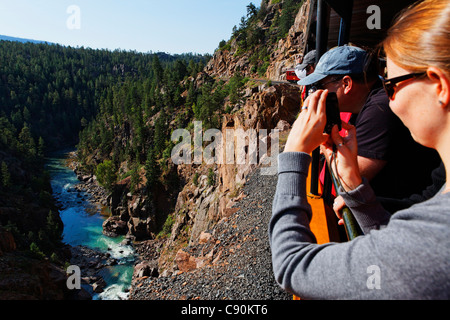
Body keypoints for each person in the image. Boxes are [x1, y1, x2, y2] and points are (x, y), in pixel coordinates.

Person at [269, 0, 450, 299]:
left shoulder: (434, 239)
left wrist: (294, 154)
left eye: (391, 85)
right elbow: (394, 250)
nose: (390, 101)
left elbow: (290, 268)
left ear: (439, 85)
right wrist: (357, 191)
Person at [298, 45, 441, 200]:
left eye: (320, 85)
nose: (317, 92)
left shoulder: (380, 109)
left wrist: (324, 146)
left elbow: (348, 181)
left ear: (346, 84)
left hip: (401, 216)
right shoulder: (364, 105)